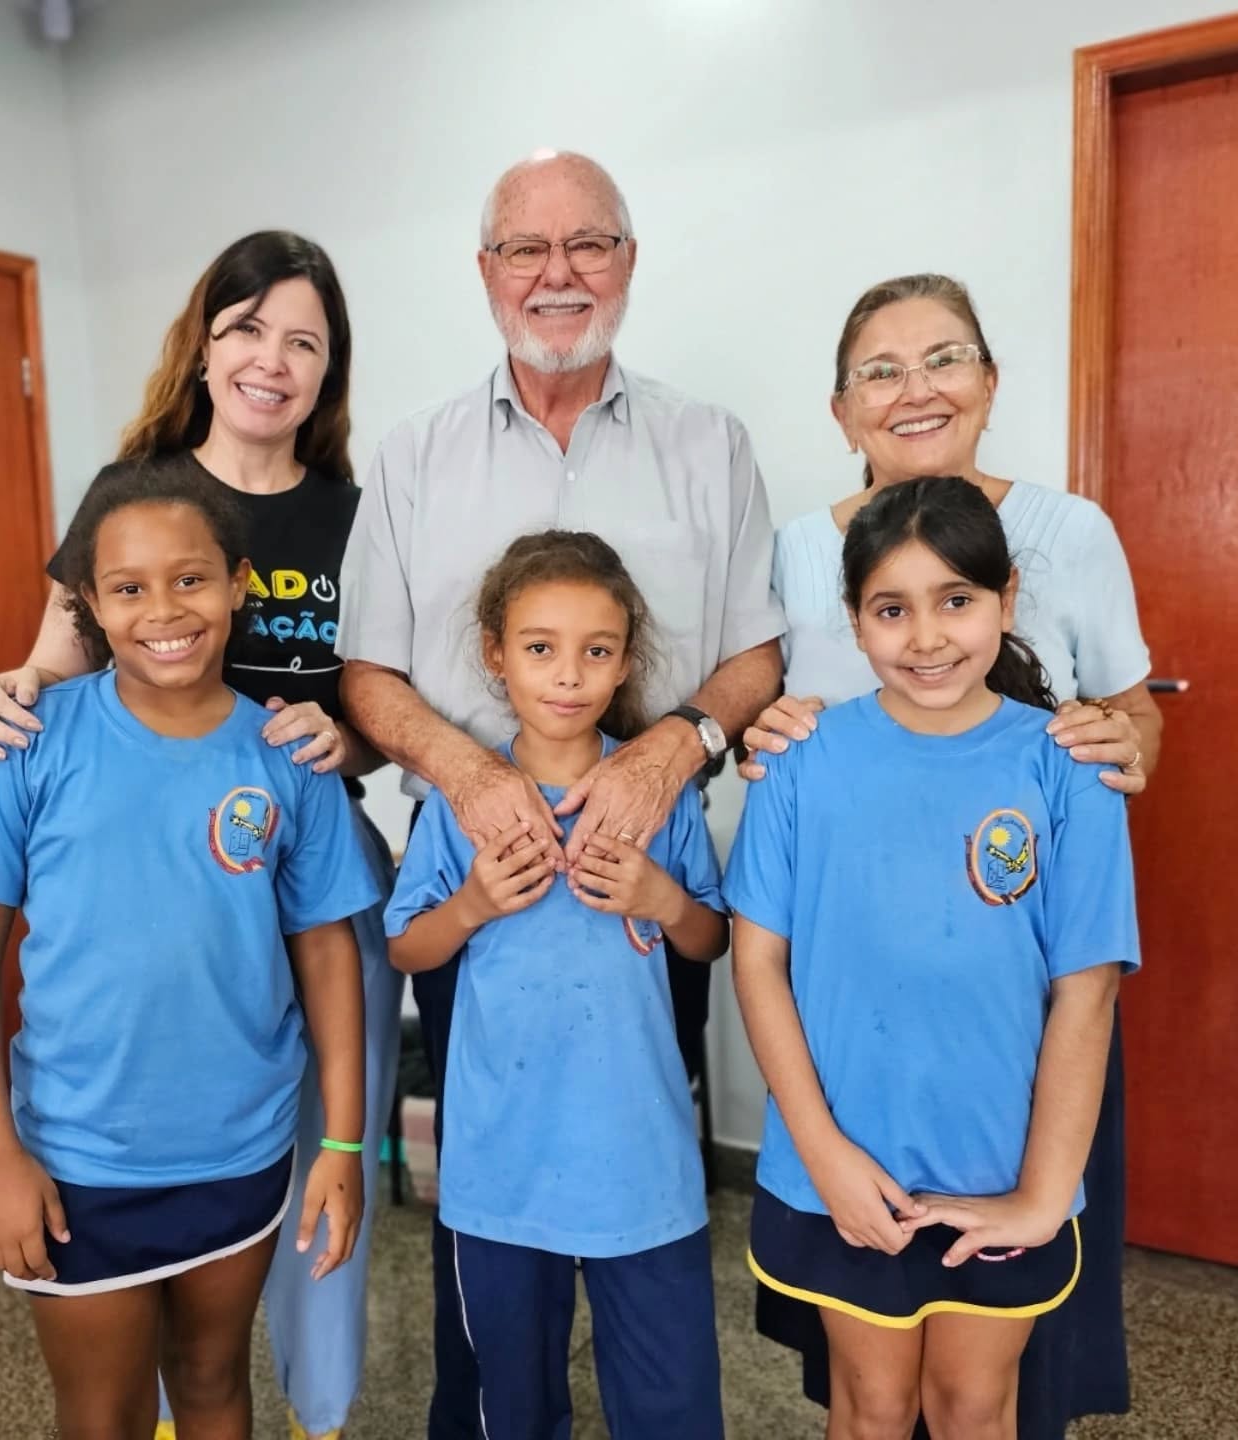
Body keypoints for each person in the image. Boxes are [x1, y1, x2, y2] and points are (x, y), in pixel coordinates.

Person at [338, 150, 784, 1438]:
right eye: (525, 248)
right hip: (477, 864)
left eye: (588, 243)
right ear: (486, 271)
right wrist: (470, 778)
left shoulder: (710, 444)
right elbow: (366, 672)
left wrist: (670, 751)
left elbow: (757, 651)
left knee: (643, 1178)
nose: (558, 273)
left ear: (627, 261)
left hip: (646, 859)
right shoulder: (414, 455)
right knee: (494, 1240)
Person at [0, 230, 399, 1440]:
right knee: (114, 1382)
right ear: (205, 346)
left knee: (310, 1196)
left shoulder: (364, 517)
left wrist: (345, 747)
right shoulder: (128, 492)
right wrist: (1, 699)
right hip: (122, 952)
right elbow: (53, 669)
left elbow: (388, 704)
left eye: (304, 340)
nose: (272, 359)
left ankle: (321, 1409)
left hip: (296, 860)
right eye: (248, 328)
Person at [738, 273, 1160, 1436]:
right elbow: (759, 957)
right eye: (891, 611)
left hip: (1003, 1126)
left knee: (980, 1400)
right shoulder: (802, 751)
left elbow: (1087, 985)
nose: (927, 636)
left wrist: (1045, 1189)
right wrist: (822, 1153)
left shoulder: (1064, 757)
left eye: (958, 602)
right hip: (846, 1134)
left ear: (1005, 600)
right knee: (869, 1399)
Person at [385, 531, 727, 1439]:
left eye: (597, 651)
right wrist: (472, 904)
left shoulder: (658, 798)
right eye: (540, 647)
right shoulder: (465, 803)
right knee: (514, 1406)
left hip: (641, 1161)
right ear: (496, 655)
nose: (569, 674)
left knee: (671, 1404)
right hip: (502, 1165)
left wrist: (661, 897)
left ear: (626, 663)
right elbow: (406, 949)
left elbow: (709, 938)